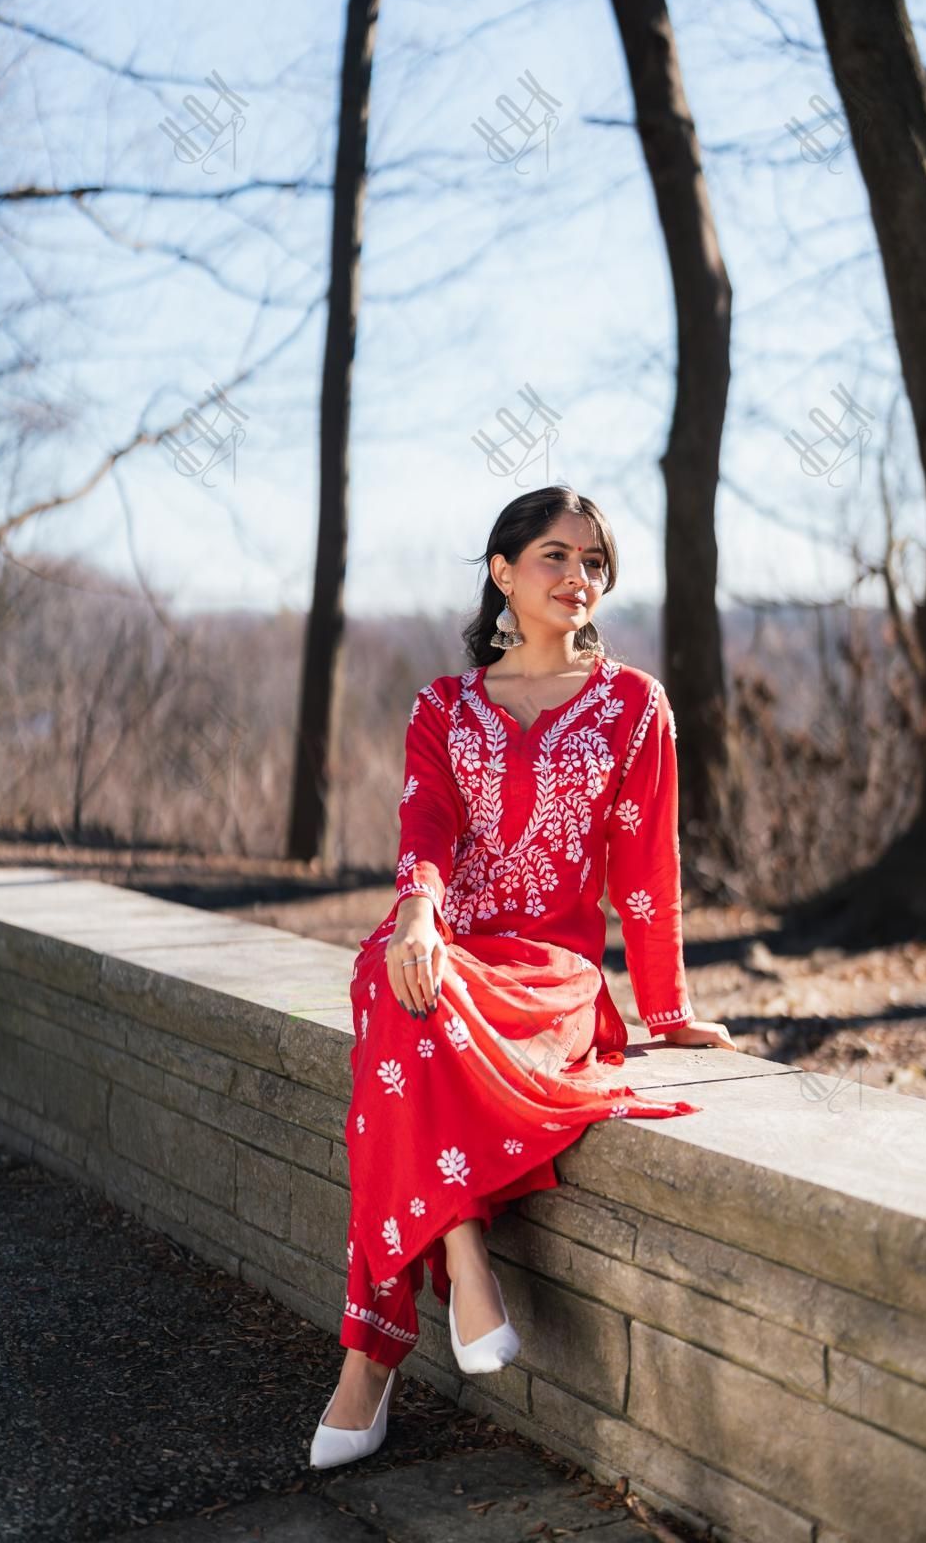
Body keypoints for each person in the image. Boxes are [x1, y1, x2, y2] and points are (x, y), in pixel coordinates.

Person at [309, 486, 736, 1468]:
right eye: (555, 555)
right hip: (448, 934)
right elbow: (426, 825)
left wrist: (667, 1010)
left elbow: (647, 868)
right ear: (501, 571)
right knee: (396, 974)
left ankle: (368, 1365)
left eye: (594, 562)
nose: (578, 578)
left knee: (406, 1026)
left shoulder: (634, 708)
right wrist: (418, 906)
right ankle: (462, 1254)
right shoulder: (444, 705)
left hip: (547, 967)